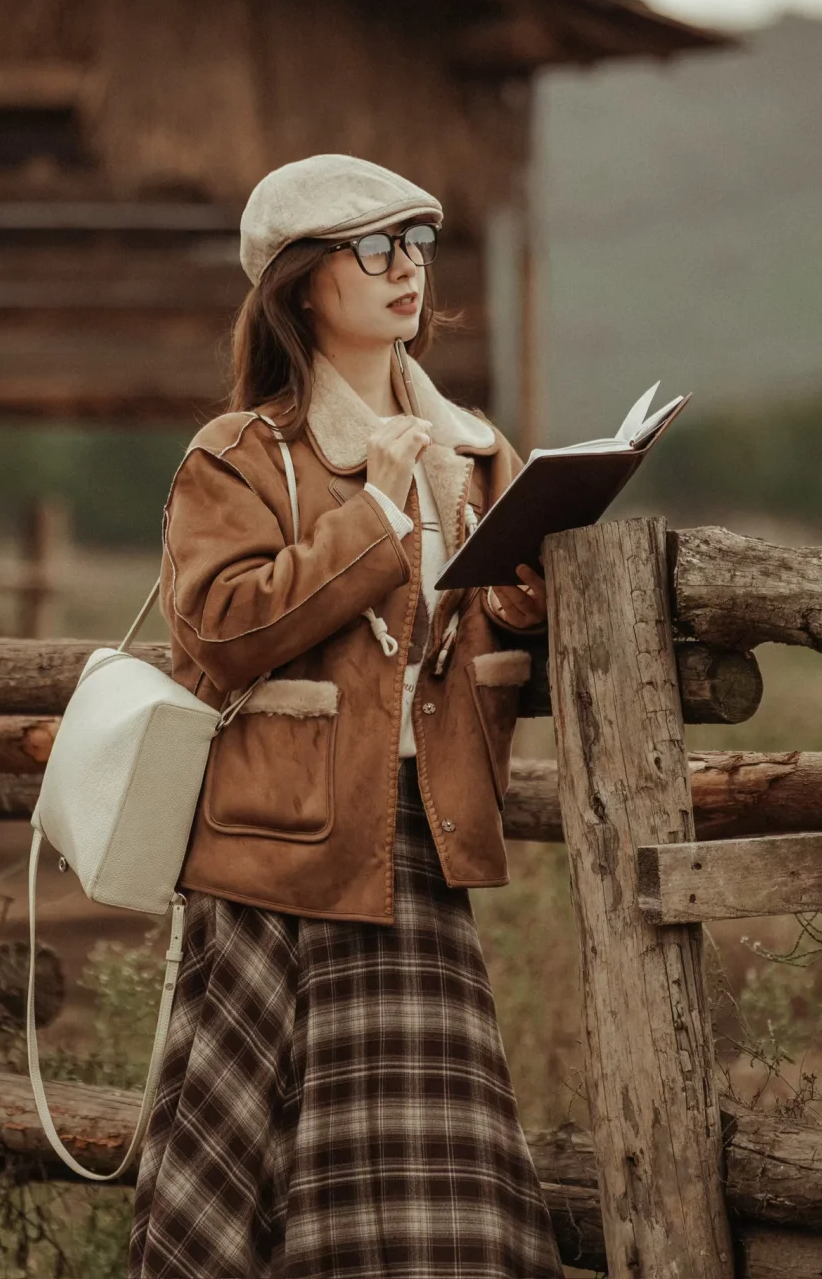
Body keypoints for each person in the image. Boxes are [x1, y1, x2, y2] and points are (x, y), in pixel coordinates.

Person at [130, 154, 565, 1279]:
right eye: (373, 249)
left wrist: (527, 588)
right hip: (278, 862)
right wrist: (373, 507)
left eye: (414, 245)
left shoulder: (477, 453)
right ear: (299, 283)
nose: (405, 269)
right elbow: (219, 633)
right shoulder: (239, 455)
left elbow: (513, 635)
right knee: (256, 1202)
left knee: (445, 1208)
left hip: (419, 845)